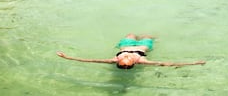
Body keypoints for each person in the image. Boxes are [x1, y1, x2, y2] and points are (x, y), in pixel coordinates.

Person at [57, 33, 206, 69]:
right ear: (134, 62)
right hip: (144, 46)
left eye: (125, 56)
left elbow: (89, 60)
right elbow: (165, 63)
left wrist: (67, 57)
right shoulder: (142, 60)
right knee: (148, 36)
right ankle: (153, 36)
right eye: (128, 57)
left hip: (126, 43)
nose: (127, 55)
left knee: (130, 34)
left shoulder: (114, 59)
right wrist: (194, 63)